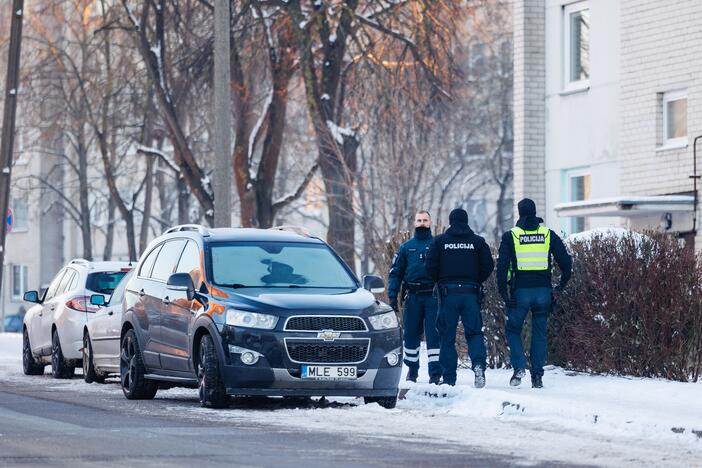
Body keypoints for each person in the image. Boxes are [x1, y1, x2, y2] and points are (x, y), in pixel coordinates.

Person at [496, 198, 572, 389]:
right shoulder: (547, 234)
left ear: (519, 213)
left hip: (520, 291)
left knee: (513, 330)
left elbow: (502, 267)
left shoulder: (511, 236)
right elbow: (566, 263)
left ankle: (519, 367)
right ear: (535, 211)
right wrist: (559, 287)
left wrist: (504, 293)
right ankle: (537, 377)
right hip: (543, 292)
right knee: (539, 333)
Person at [425, 208, 494, 388]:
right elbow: (488, 265)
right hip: (471, 294)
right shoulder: (477, 242)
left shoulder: (439, 242)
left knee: (446, 337)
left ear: (451, 221)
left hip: (448, 295)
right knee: (474, 333)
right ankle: (478, 366)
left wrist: (439, 281)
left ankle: (449, 379)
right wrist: (476, 281)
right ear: (466, 221)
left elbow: (430, 266)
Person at [388, 211, 442, 383]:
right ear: (414, 222)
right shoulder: (406, 247)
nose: (422, 223)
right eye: (419, 220)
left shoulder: (437, 245)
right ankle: (412, 371)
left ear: (430, 222)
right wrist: (392, 296)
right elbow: (396, 273)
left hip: (433, 296)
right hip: (412, 297)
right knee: (410, 335)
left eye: (425, 220)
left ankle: (435, 373)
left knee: (434, 335)